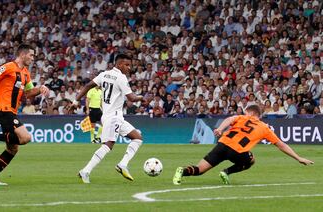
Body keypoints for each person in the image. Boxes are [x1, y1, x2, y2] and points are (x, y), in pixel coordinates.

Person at [172, 105, 314, 185]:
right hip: (238, 151)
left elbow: (229, 118)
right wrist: (298, 157)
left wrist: (220, 129)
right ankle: (226, 172)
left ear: (250, 112)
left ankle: (182, 171)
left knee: (200, 169)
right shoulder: (265, 127)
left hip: (222, 145)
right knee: (251, 160)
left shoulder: (242, 117)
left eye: (246, 111)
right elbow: (281, 145)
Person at [0, 44, 50, 186]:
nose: (33, 58)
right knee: (26, 137)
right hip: (4, 110)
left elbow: (28, 93)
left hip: (12, 111)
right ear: (23, 54)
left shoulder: (25, 73)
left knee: (13, 148)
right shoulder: (8, 67)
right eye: (31, 55)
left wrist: (40, 89)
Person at [73, 54, 144, 183]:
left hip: (112, 116)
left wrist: (75, 100)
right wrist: (142, 97)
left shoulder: (104, 74)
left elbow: (88, 85)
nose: (129, 68)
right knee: (108, 145)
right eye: (127, 65)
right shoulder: (121, 78)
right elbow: (132, 98)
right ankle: (85, 171)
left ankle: (123, 164)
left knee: (137, 138)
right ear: (119, 64)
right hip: (113, 117)